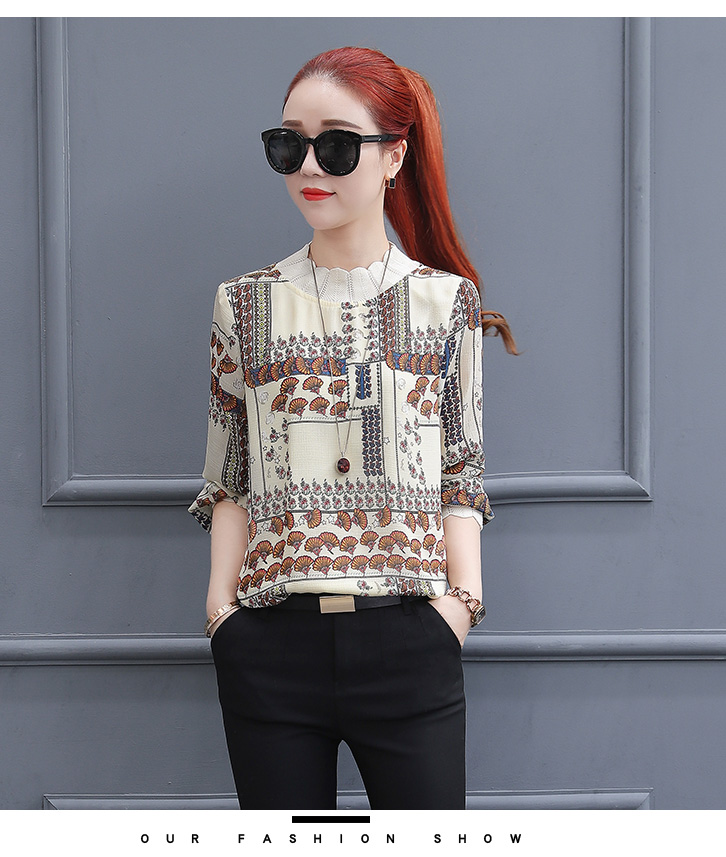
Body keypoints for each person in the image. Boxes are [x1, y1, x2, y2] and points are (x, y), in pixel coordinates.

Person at [189, 46, 516, 811]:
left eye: (336, 145)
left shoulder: (449, 304)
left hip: (410, 642)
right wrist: (220, 614)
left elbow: (460, 472)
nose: (309, 165)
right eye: (289, 144)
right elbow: (229, 477)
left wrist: (459, 605)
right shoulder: (243, 304)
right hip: (269, 647)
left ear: (393, 155)